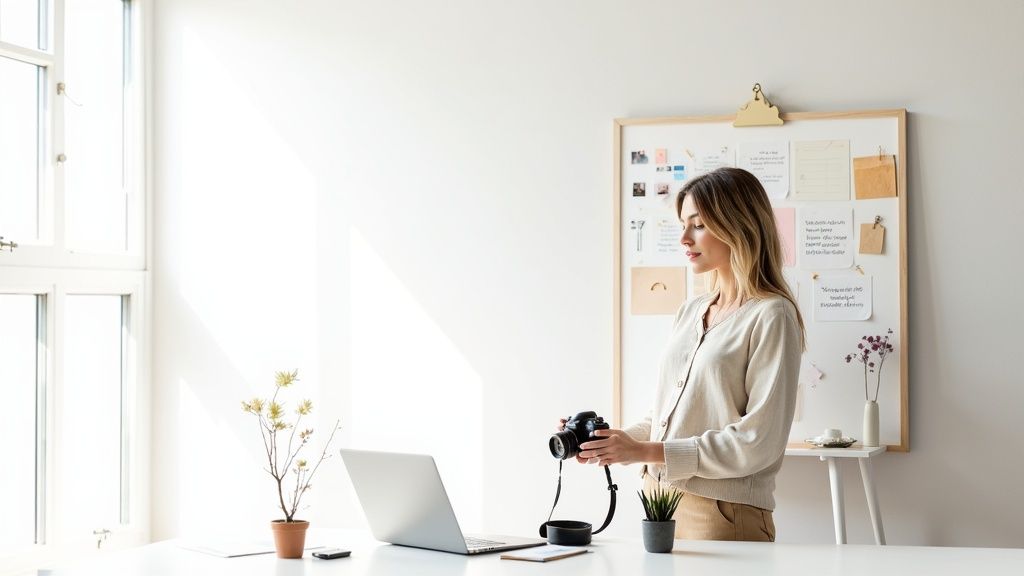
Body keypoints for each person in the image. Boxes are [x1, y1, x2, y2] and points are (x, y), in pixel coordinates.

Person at [559, 167, 805, 542]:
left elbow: (758, 441)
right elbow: (670, 415)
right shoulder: (691, 310)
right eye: (682, 224)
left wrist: (645, 449)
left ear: (738, 225)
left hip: (721, 512)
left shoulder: (772, 314)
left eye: (699, 224)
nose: (684, 237)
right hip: (658, 499)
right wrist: (615, 443)